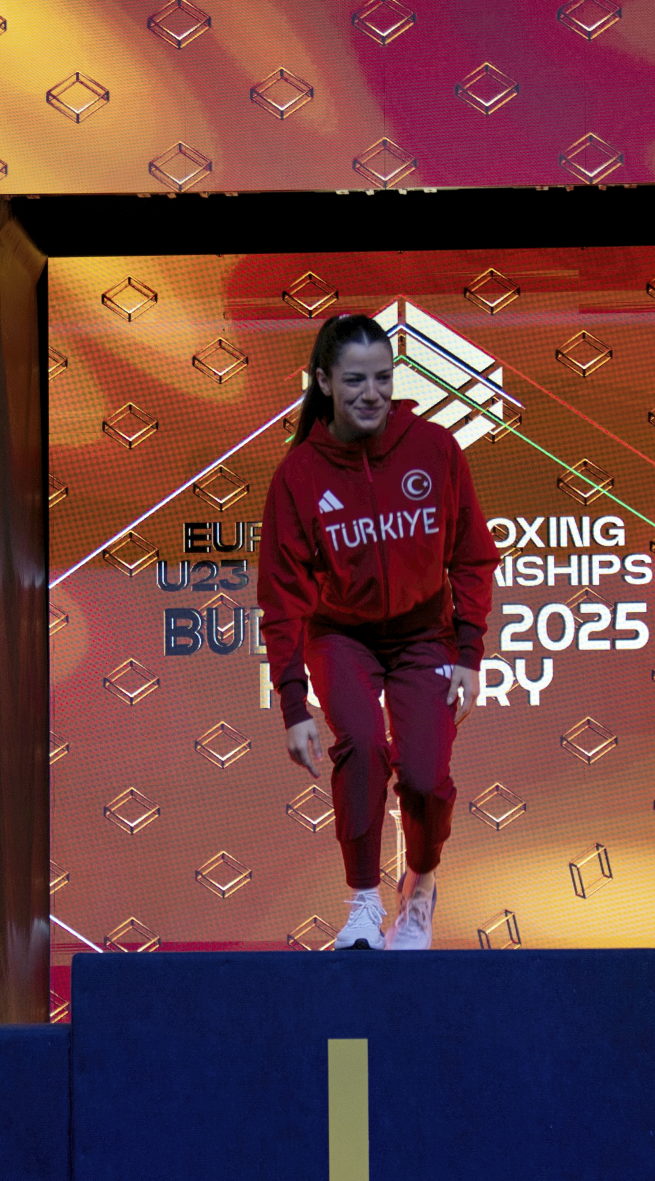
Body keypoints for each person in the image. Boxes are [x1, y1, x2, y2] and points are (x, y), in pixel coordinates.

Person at [257, 314, 496, 950]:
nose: (372, 394)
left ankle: (418, 889)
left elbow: (472, 556)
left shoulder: (435, 449)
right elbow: (281, 596)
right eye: (355, 380)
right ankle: (363, 903)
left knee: (423, 776)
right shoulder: (300, 474)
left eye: (384, 378)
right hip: (341, 636)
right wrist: (292, 704)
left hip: (425, 637)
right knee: (361, 746)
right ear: (324, 383)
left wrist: (469, 651)